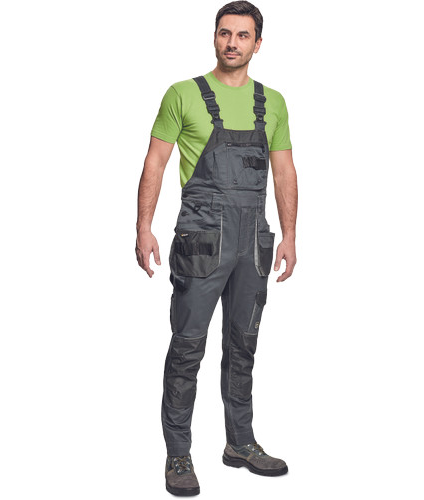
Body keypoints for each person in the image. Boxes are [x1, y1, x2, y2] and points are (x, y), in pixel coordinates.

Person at [136, 1, 298, 496]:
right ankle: (178, 455)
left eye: (243, 35)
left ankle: (240, 443)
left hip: (253, 242)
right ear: (214, 38)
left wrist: (290, 235)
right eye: (225, 33)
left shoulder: (273, 103)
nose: (232, 42)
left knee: (243, 344)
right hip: (201, 241)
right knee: (188, 348)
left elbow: (285, 171)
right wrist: (143, 227)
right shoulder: (182, 94)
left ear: (257, 43)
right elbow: (155, 164)